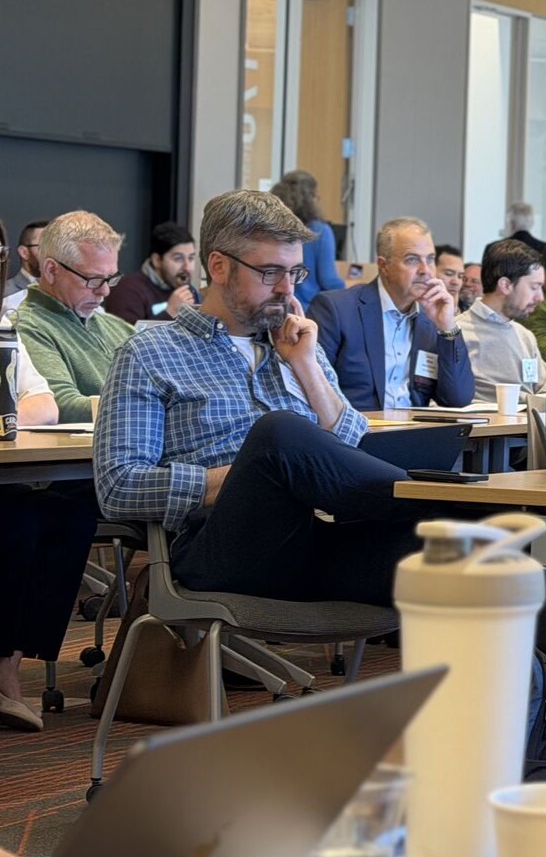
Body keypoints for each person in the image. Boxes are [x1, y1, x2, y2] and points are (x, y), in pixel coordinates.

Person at [94, 189, 430, 606]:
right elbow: (119, 487)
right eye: (270, 273)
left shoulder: (300, 345)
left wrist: (306, 367)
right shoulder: (149, 354)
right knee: (279, 434)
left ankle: (440, 512)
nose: (287, 289)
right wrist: (248, 476)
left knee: (446, 553)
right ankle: (427, 500)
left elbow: (351, 453)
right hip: (220, 548)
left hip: (311, 540)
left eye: (295, 273)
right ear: (219, 266)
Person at [0, 332, 94, 731]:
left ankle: (10, 663)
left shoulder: (6, 332)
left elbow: (44, 406)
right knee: (15, 515)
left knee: (71, 509)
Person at [308, 217, 475, 412]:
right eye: (412, 260)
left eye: (430, 259)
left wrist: (447, 328)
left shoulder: (431, 320)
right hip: (359, 428)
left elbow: (458, 399)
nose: (426, 271)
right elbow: (313, 389)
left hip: (416, 428)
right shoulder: (336, 310)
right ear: (383, 265)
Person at [11, 210, 135, 422]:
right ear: (51, 270)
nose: (105, 291)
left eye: (110, 278)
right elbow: (63, 406)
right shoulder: (27, 327)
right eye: (94, 279)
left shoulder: (118, 327)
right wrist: (149, 405)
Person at [456, 239, 546, 393]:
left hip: (530, 408)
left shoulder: (525, 336)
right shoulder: (458, 333)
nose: (540, 297)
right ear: (505, 285)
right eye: (534, 287)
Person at [271, 171, 343, 307]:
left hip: (274, 305)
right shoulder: (320, 231)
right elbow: (329, 280)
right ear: (312, 199)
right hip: (307, 310)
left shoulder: (270, 228)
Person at [104, 221, 199, 324]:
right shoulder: (127, 290)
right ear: (157, 260)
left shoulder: (187, 290)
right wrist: (170, 312)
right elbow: (128, 333)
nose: (187, 267)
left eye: (191, 258)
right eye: (178, 259)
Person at [2, 221, 47, 315]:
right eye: (44, 246)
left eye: (55, 248)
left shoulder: (67, 293)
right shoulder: (5, 294)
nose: (51, 253)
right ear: (24, 252)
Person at [434, 245, 473, 312]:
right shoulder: (415, 308)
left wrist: (454, 310)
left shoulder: (465, 309)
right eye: (449, 274)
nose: (456, 282)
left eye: (460, 276)